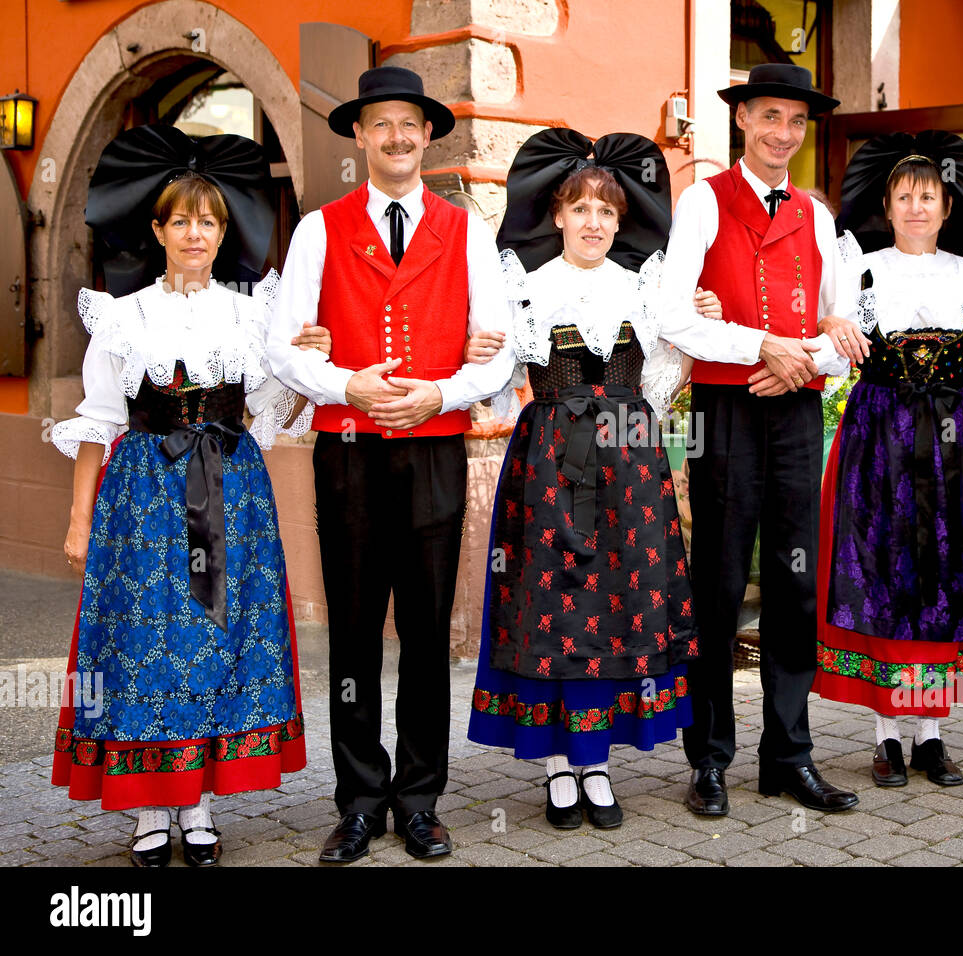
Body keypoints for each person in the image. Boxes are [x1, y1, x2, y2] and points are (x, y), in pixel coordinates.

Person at [462, 128, 819, 827]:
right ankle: (558, 767)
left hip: (628, 463)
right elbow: (497, 386)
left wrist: (701, 324)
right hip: (549, 463)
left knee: (615, 603)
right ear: (557, 216)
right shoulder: (524, 292)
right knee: (553, 603)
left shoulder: (646, 291)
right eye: (580, 208)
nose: (593, 222)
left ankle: (596, 764)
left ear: (619, 223)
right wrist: (478, 349)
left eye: (606, 211)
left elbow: (661, 381)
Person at [51, 125, 327, 866]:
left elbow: (272, 410)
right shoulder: (122, 315)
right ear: (158, 228)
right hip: (141, 500)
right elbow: (98, 422)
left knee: (214, 642)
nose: (195, 233)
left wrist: (308, 365)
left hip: (232, 494)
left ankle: (198, 806)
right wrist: (79, 519)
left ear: (221, 229)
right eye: (181, 220)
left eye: (207, 221)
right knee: (145, 643)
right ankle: (148, 812)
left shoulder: (251, 315)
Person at [267, 67, 515, 861]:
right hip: (347, 453)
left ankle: (419, 799)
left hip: (435, 449)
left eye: (410, 123)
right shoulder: (318, 229)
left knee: (426, 631)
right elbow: (280, 344)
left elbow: (499, 351)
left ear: (429, 135)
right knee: (351, 634)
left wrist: (438, 395)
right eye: (383, 124)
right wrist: (347, 383)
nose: (398, 136)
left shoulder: (469, 230)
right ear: (360, 136)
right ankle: (358, 801)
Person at [814, 131, 963, 788]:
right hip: (880, 434)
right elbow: (839, 354)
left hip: (951, 438)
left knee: (941, 571)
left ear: (947, 207)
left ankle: (932, 733)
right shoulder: (861, 268)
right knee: (886, 570)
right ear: (887, 206)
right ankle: (886, 735)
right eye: (904, 196)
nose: (917, 206)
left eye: (929, 195)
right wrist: (823, 338)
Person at [660, 63, 859, 816]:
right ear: (742, 120)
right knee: (716, 579)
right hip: (723, 407)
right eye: (770, 117)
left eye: (796, 122)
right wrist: (762, 346)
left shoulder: (819, 216)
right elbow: (673, 316)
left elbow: (847, 329)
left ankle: (789, 755)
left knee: (795, 581)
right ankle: (709, 757)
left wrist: (802, 358)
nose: (783, 133)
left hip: (797, 409)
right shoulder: (704, 202)